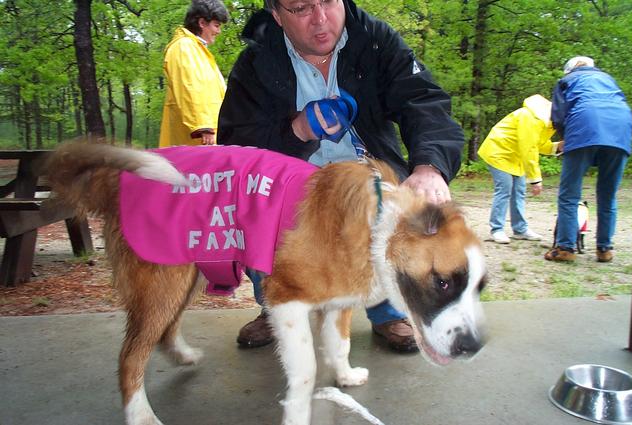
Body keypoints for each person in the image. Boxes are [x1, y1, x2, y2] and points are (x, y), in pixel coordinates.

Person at [218, 0, 465, 352]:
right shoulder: (255, 63)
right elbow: (236, 146)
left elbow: (423, 101)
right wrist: (296, 131)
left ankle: (389, 311)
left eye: (328, 1)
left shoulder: (374, 39)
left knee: (394, 209)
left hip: (367, 177)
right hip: (293, 185)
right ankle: (277, 303)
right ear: (277, 15)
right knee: (259, 206)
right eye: (302, 8)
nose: (320, 19)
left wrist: (430, 166)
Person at [545, 56, 632, 263]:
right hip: (620, 131)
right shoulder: (608, 79)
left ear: (570, 69)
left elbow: (558, 116)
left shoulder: (567, 81)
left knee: (569, 195)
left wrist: (567, 139)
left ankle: (565, 248)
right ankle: (604, 249)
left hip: (583, 126)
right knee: (608, 195)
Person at [478, 94, 560, 244]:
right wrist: (535, 179)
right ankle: (497, 229)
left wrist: (557, 147)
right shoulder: (531, 118)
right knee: (505, 189)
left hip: (515, 156)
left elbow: (539, 144)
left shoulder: (547, 122)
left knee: (519, 191)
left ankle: (520, 230)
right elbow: (529, 148)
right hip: (499, 152)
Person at [159, 0, 229, 147]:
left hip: (207, 136)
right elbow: (189, 87)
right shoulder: (183, 47)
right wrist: (203, 126)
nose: (219, 31)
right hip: (196, 137)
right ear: (202, 23)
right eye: (216, 25)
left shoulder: (198, 51)